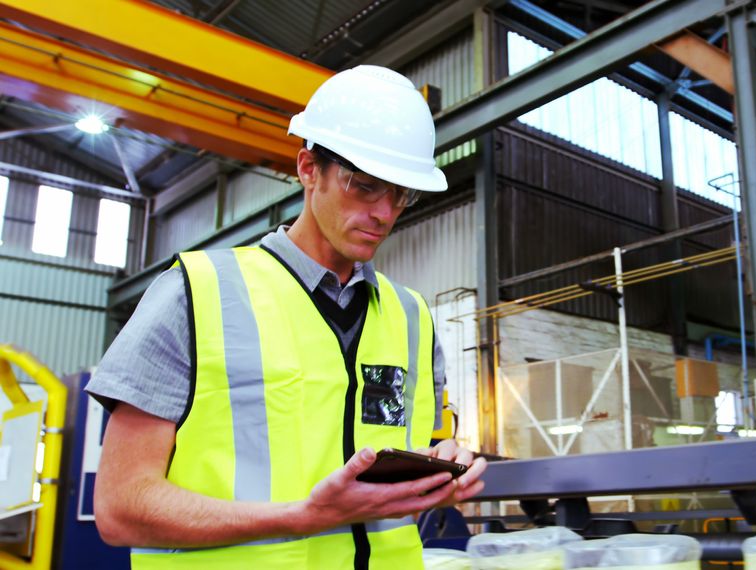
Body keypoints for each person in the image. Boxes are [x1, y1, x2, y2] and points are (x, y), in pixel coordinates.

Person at [88, 65, 487, 569]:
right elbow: (121, 507)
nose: (384, 213)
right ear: (307, 168)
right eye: (363, 186)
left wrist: (444, 470)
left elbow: (425, 445)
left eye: (401, 194)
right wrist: (302, 516)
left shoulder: (413, 318)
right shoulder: (196, 293)